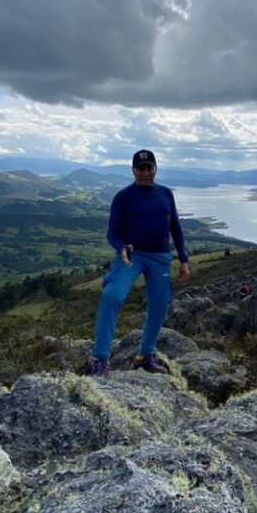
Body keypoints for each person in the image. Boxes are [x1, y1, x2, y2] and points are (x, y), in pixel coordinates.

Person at [90, 149, 190, 378]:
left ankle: (145, 356)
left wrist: (183, 259)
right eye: (140, 169)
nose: (145, 173)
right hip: (132, 257)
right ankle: (99, 359)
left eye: (149, 168)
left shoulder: (166, 194)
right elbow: (113, 233)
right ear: (133, 171)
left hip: (160, 257)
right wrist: (122, 247)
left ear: (155, 169)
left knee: (159, 306)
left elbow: (175, 228)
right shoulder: (123, 197)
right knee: (111, 296)